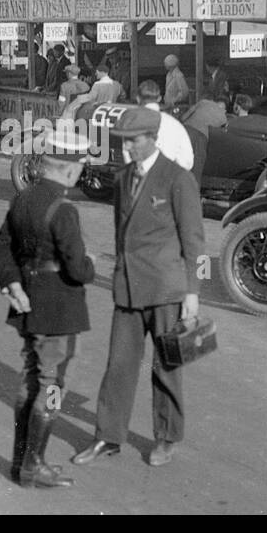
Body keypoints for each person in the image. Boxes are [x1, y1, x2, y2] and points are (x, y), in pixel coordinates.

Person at [73, 107, 204, 469]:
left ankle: (166, 437)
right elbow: (120, 232)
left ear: (153, 138)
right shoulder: (123, 177)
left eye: (133, 140)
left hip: (166, 289)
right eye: (123, 141)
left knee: (167, 367)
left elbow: (194, 240)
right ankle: (108, 435)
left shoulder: (178, 179)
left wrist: (191, 292)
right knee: (119, 365)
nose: (127, 148)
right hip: (128, 287)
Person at [0, 132, 97, 488]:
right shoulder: (64, 210)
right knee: (52, 385)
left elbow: (0, 248)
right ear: (70, 169)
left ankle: (22, 460)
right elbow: (77, 268)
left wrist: (12, 283)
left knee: (31, 377)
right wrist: (90, 265)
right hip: (58, 309)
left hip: (27, 303)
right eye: (80, 167)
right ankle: (34, 464)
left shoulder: (23, 199)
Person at [128, 80, 193, 171]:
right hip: (169, 177)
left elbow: (128, 157)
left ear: (138, 98)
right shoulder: (175, 124)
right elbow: (188, 161)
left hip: (142, 178)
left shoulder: (131, 124)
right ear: (159, 98)